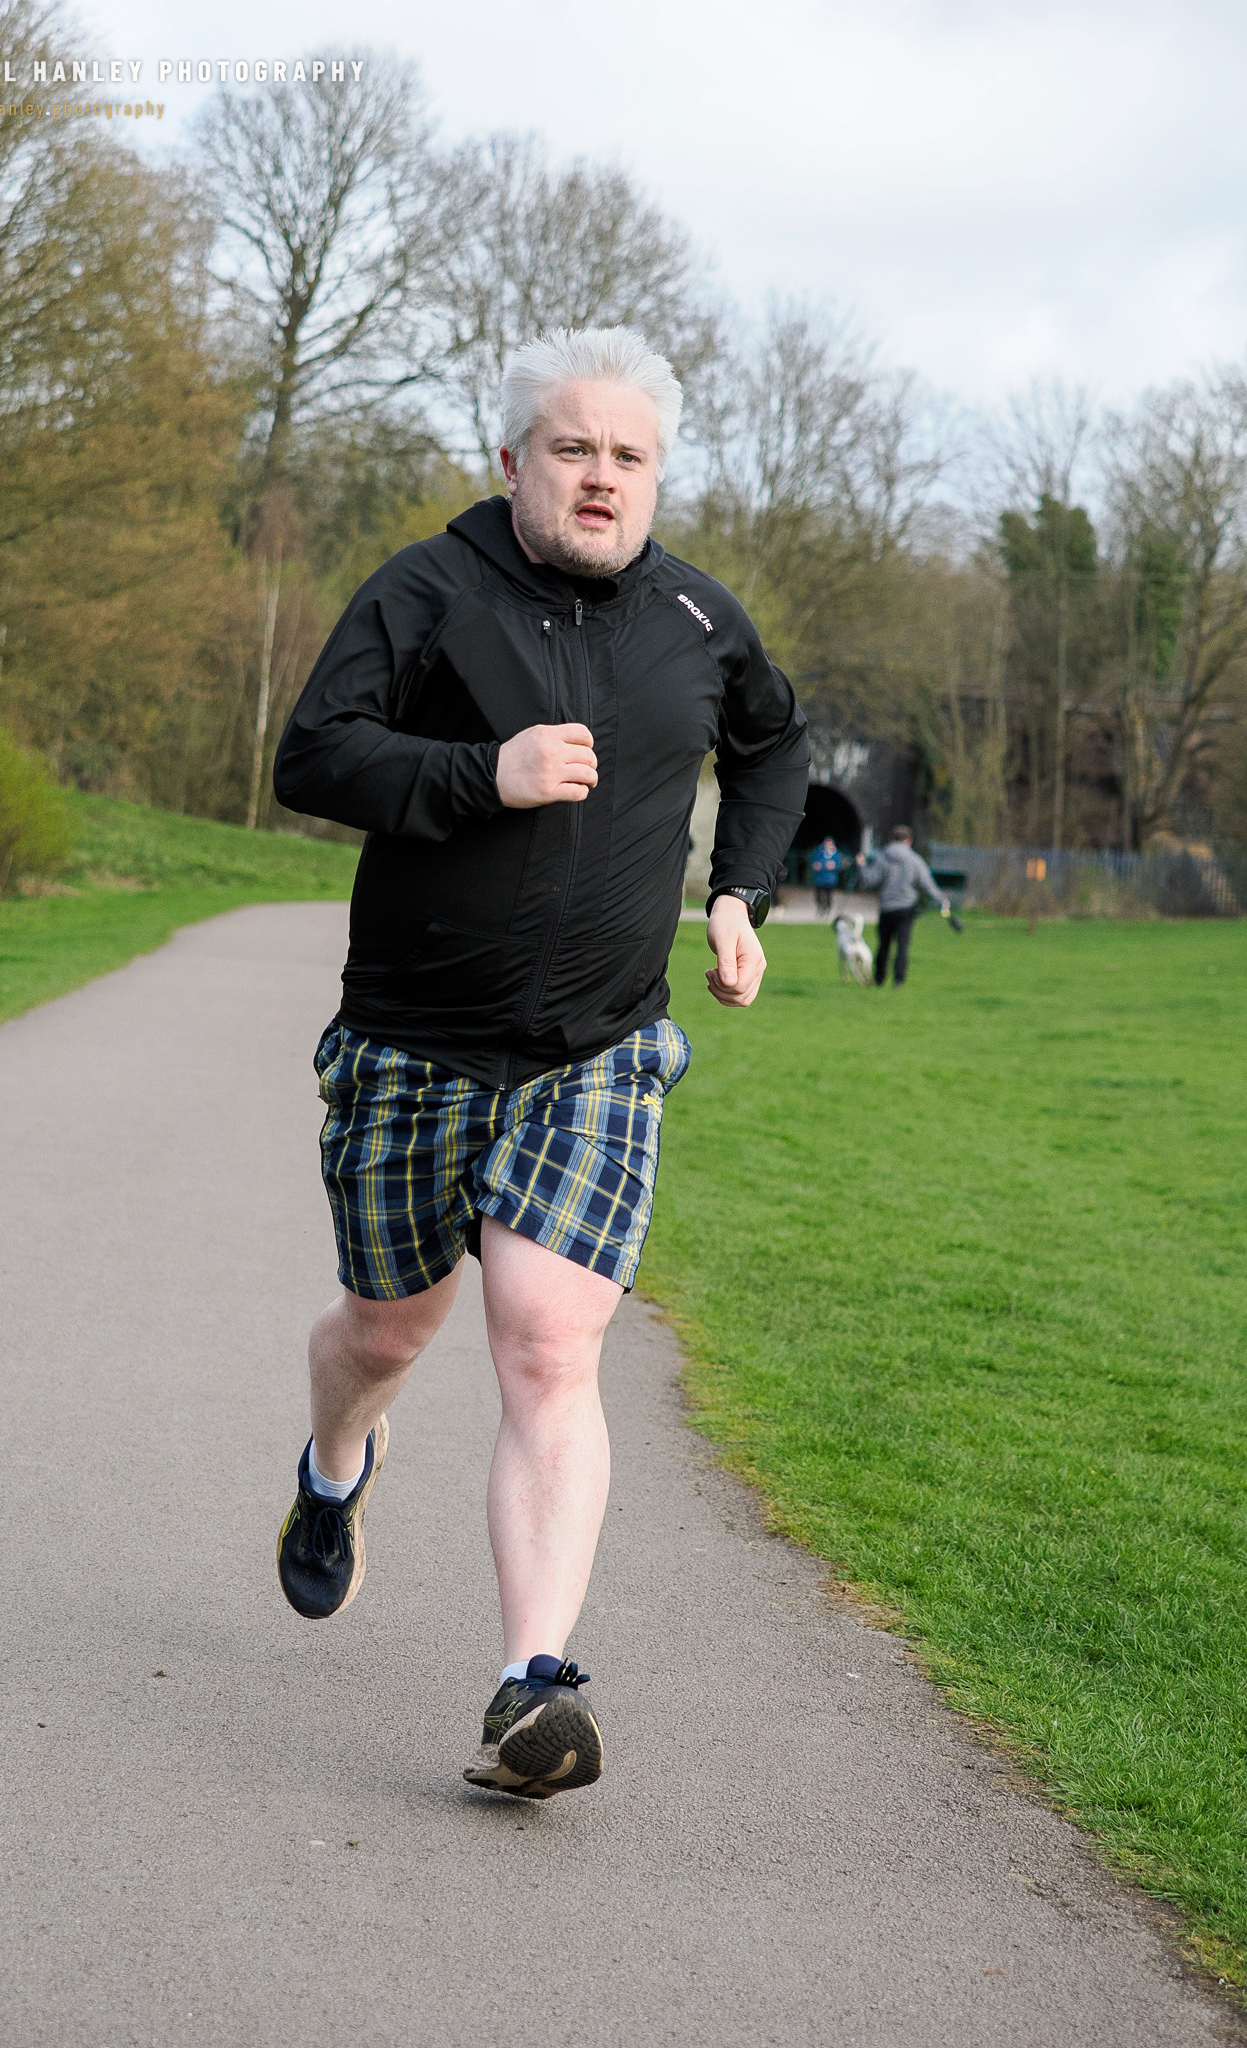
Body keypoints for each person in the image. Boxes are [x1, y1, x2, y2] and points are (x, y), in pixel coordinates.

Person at [270, 326, 810, 1801]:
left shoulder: (702, 621)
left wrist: (738, 896)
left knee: (548, 1343)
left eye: (629, 456)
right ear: (512, 461)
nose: (600, 476)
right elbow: (311, 753)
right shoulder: (429, 592)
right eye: (572, 448)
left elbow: (775, 749)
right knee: (388, 1333)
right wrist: (474, 775)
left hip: (596, 1049)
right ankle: (332, 1470)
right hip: (409, 1044)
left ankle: (532, 1688)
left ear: (657, 477)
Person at [855, 824, 950, 985]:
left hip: (887, 908)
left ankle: (879, 979)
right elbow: (926, 883)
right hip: (906, 909)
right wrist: (942, 899)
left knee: (884, 944)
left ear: (891, 839)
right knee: (903, 945)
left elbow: (869, 880)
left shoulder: (882, 857)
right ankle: (898, 980)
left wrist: (861, 865)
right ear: (909, 841)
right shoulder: (915, 860)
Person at [810, 834, 840, 914]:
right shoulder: (819, 852)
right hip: (819, 877)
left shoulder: (834, 853)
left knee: (828, 894)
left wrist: (833, 865)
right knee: (818, 893)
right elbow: (813, 861)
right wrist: (816, 865)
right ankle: (820, 907)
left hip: (829, 878)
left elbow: (837, 864)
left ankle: (827, 908)